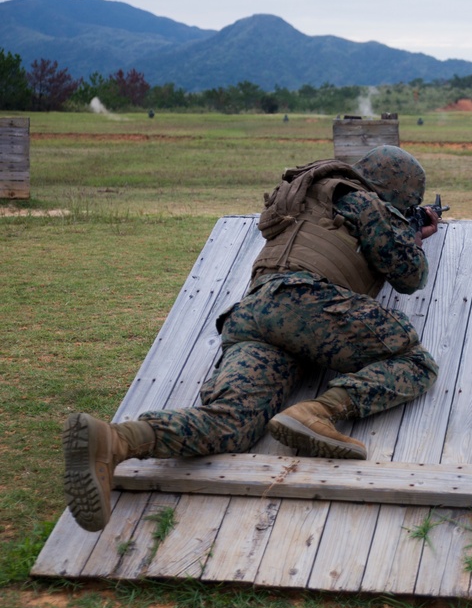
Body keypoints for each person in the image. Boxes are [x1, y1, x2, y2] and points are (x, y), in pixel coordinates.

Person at [62, 145, 441, 532]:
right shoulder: (364, 200)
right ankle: (319, 412)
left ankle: (117, 441)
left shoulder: (308, 200)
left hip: (252, 314)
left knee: (231, 423)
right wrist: (413, 235)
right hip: (305, 303)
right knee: (417, 362)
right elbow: (408, 274)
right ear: (398, 195)